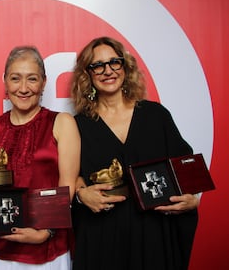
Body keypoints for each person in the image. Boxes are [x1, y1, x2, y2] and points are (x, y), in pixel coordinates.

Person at [70, 36, 199, 270]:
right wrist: (81, 195)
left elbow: (185, 168)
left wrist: (192, 200)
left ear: (125, 67)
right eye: (97, 65)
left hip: (153, 234)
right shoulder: (77, 125)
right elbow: (70, 174)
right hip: (103, 236)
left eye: (114, 62)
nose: (107, 71)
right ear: (86, 74)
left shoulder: (156, 115)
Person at [0, 46, 80, 269]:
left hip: (48, 246)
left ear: (44, 82)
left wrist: (46, 231)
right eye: (15, 79)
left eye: (32, 79)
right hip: (2, 246)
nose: (23, 88)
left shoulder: (62, 123)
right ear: (5, 81)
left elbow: (68, 185)